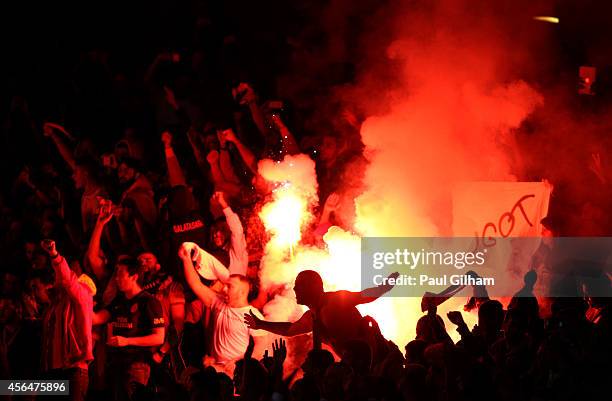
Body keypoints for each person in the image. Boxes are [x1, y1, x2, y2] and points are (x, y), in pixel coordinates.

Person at [244, 270, 398, 356]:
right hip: (358, 368)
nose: (295, 289)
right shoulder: (311, 316)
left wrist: (388, 283)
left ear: (313, 287)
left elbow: (367, 295)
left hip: (381, 359)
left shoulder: (337, 300)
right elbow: (290, 329)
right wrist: (260, 324)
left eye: (299, 285)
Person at [179, 242, 265, 373]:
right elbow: (195, 284)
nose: (224, 289)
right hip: (214, 369)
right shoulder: (218, 302)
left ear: (242, 292)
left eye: (230, 286)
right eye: (225, 285)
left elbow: (261, 348)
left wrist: (239, 363)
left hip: (235, 374)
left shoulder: (254, 316)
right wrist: (186, 259)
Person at [93, 256, 165, 401]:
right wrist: (81, 295)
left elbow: (159, 337)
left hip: (137, 365)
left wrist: (127, 341)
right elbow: (96, 318)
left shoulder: (149, 301)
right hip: (116, 364)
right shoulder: (119, 301)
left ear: (134, 276)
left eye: (120, 274)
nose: (116, 279)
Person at [39, 239, 96, 401]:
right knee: (12, 387)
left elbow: (68, 281)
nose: (57, 274)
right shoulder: (54, 303)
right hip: (52, 371)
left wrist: (54, 256)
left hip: (73, 370)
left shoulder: (82, 294)